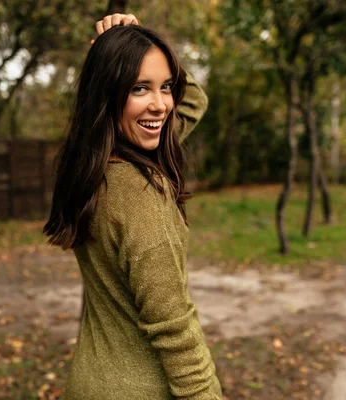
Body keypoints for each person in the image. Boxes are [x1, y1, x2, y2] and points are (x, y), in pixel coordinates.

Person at [43, 13, 222, 400]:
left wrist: (130, 47)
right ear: (106, 93)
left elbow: (194, 102)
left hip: (90, 382)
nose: (160, 105)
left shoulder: (90, 169)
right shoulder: (141, 197)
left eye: (166, 87)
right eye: (140, 88)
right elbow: (174, 329)